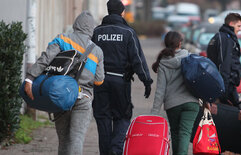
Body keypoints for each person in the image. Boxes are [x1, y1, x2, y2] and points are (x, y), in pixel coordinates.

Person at [23, 11, 105, 155]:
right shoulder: (97, 51)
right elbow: (99, 81)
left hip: (60, 94)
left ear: (76, 24)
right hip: (82, 98)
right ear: (92, 29)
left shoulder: (62, 39)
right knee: (77, 139)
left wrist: (30, 78)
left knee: (64, 140)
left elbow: (45, 59)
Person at [91, 0, 153, 154]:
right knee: (122, 116)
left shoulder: (97, 32)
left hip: (100, 81)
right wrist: (146, 80)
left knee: (103, 117)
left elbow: (89, 57)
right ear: (122, 12)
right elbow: (137, 59)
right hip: (120, 81)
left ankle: (106, 152)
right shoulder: (128, 32)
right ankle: (116, 148)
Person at [151, 31, 199, 155]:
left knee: (176, 133)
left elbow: (160, 90)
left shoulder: (163, 62)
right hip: (191, 102)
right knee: (185, 133)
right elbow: (199, 80)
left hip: (172, 104)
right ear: (179, 43)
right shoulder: (189, 57)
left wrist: (154, 113)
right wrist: (206, 101)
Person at [207, 12, 241, 107]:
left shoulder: (223, 37)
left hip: (226, 85)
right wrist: (224, 90)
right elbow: (224, 64)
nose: (240, 29)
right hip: (226, 87)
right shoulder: (225, 39)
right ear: (231, 24)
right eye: (238, 26)